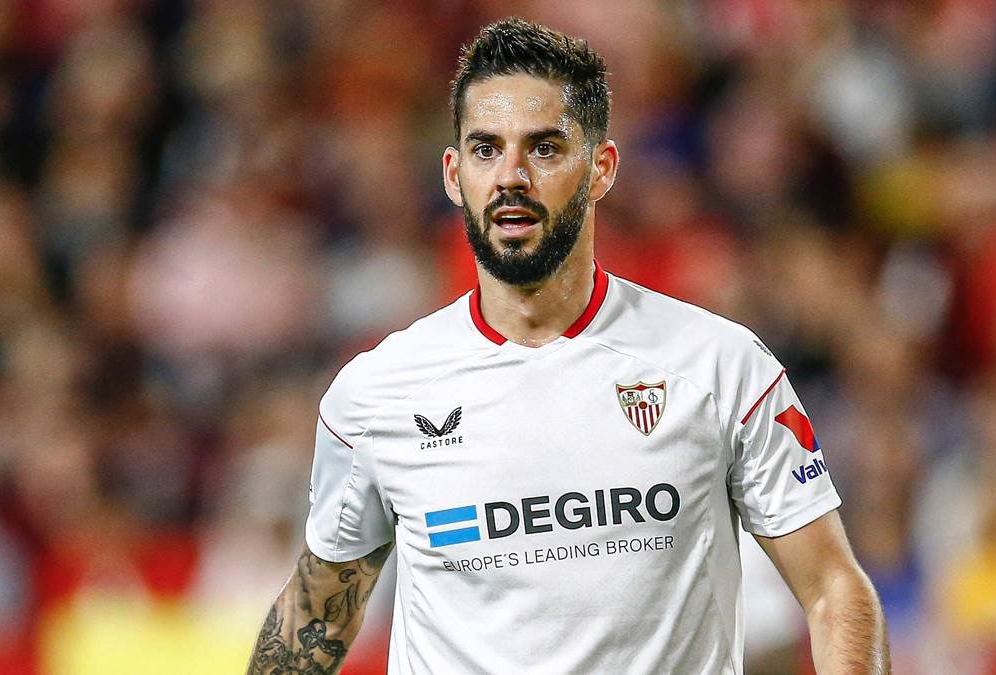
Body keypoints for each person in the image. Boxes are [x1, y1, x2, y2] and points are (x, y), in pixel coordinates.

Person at [248, 17, 888, 675]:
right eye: (486, 149)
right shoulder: (376, 394)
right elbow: (317, 617)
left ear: (601, 168)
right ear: (453, 174)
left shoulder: (723, 368)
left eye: (545, 148)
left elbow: (833, 589)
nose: (511, 176)